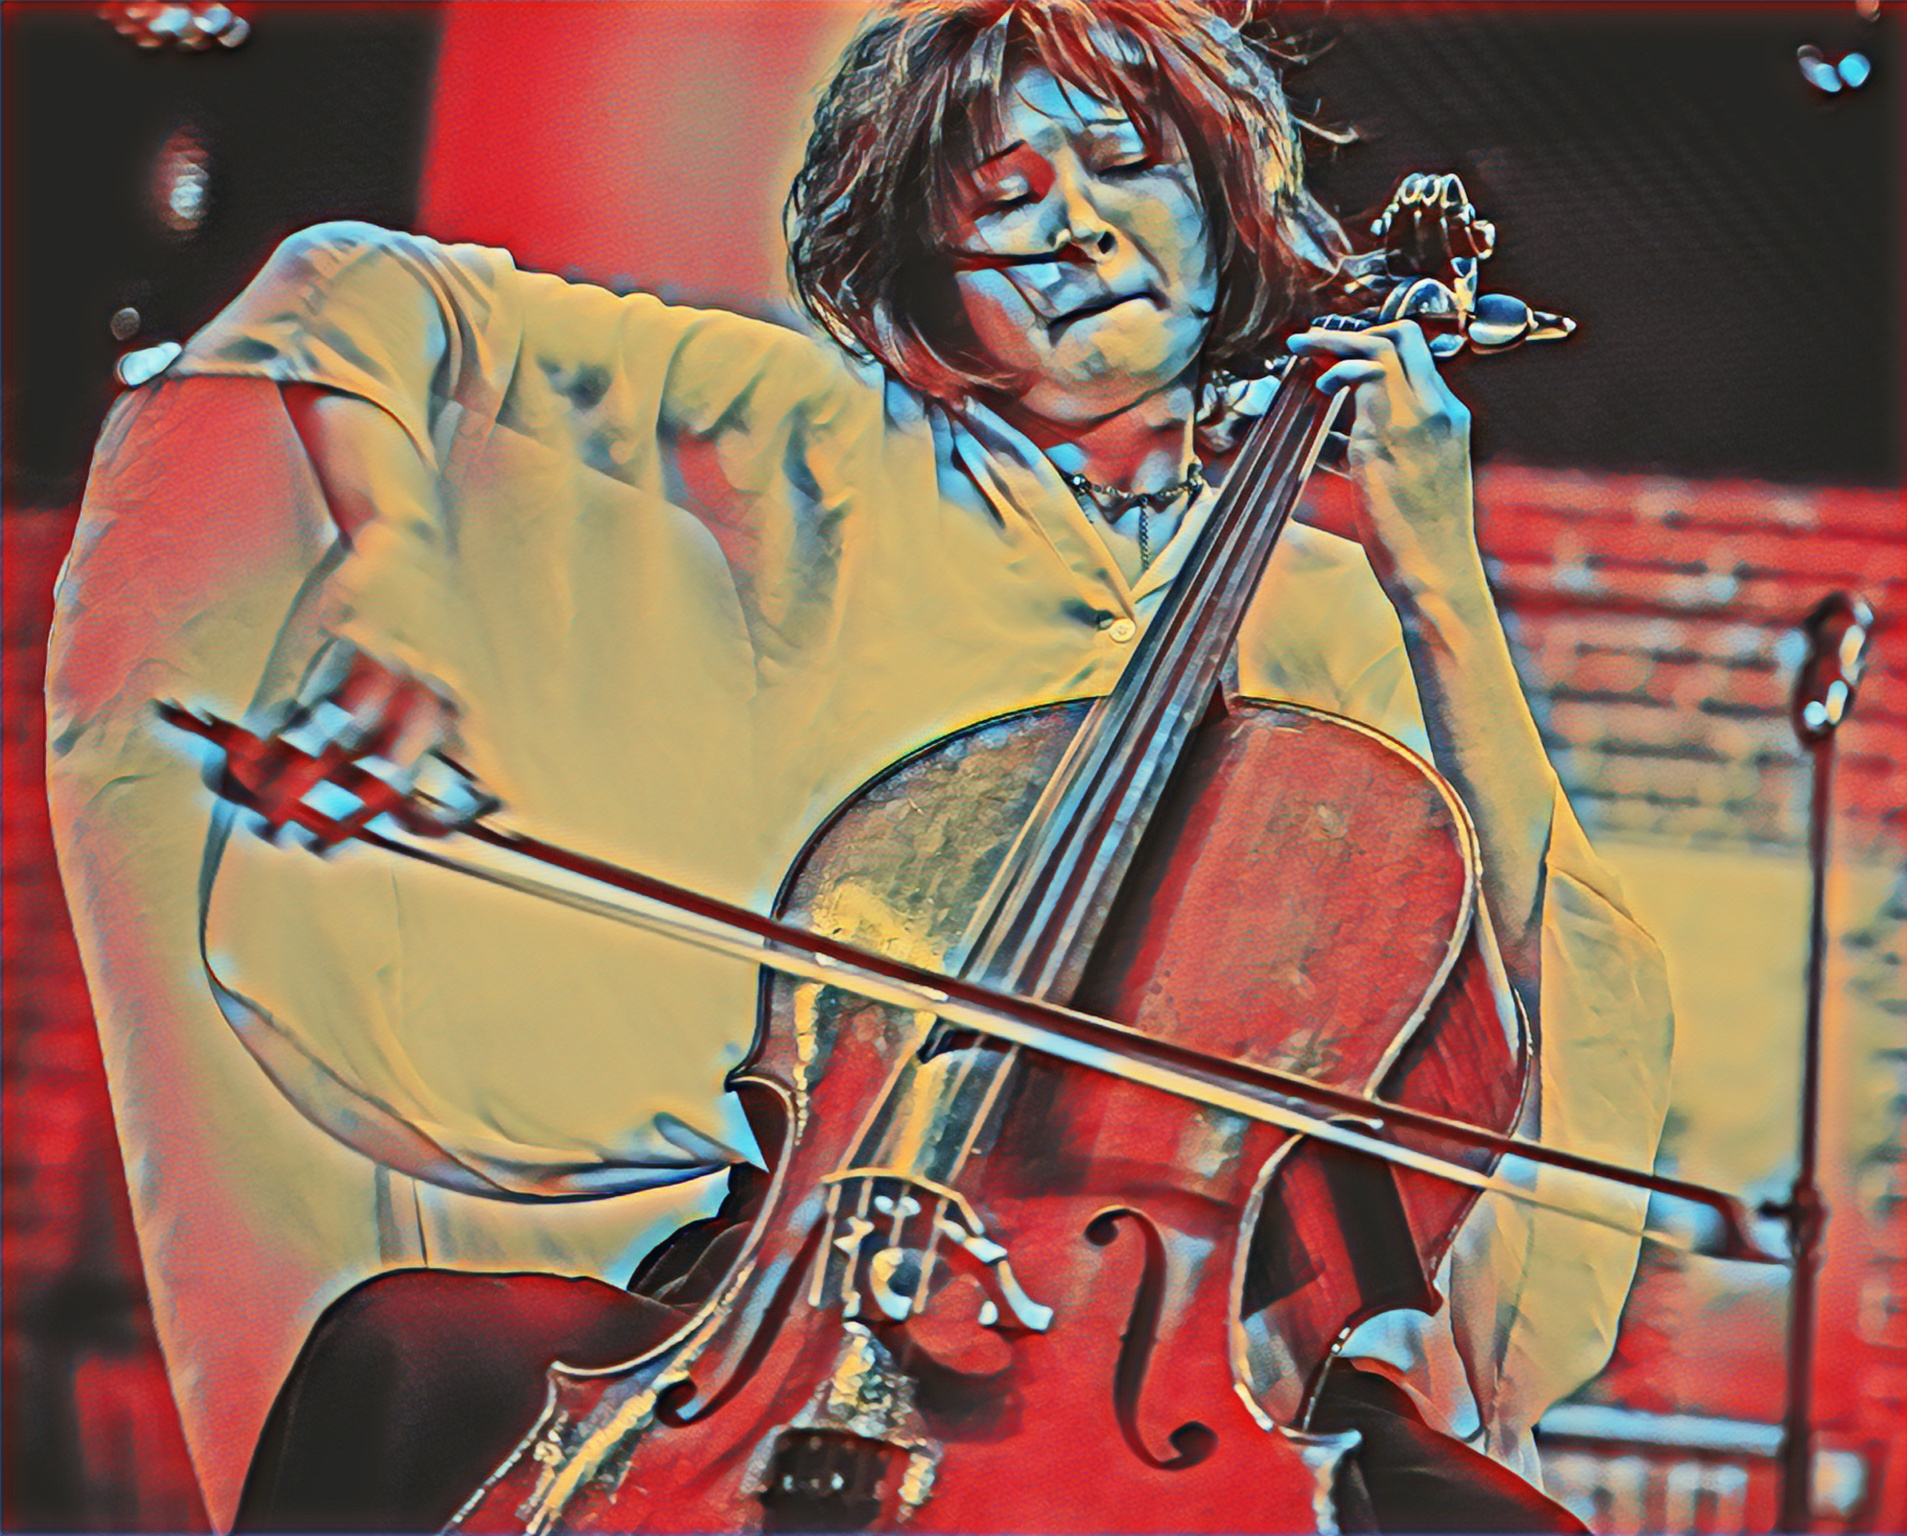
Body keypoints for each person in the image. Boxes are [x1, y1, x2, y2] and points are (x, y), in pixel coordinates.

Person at [47, 2, 1673, 1531]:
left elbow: (1537, 961)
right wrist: (394, 568)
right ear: (926, 271)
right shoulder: (820, 440)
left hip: (1178, 1326)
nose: (1075, 229)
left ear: (1222, 206)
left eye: (1128, 166)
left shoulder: (1325, 608)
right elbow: (356, 289)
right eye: (1004, 197)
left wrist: (1435, 577)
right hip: (805, 1268)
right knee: (404, 1362)